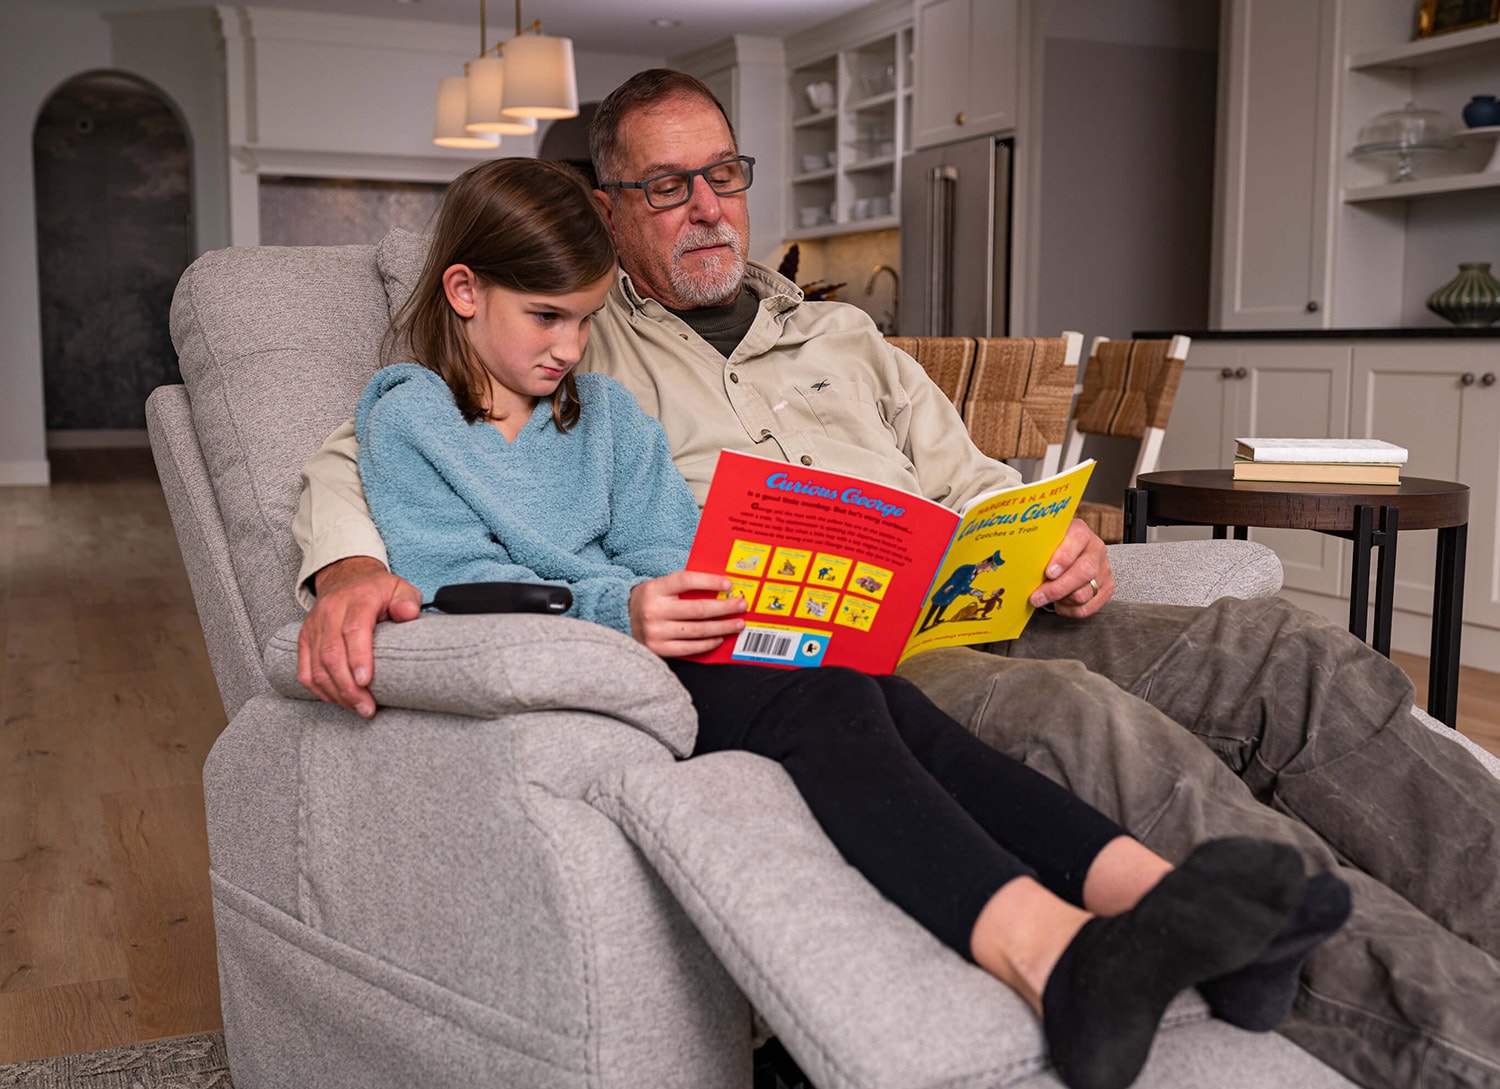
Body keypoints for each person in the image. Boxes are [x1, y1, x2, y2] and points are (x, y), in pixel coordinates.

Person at [293, 71, 1500, 1088]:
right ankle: (1457, 1035)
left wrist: (1054, 535)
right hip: (853, 651)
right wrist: (350, 564)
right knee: (1086, 730)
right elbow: (387, 445)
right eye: (668, 187)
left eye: (725, 175)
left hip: (983, 604)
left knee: (1293, 655)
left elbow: (971, 478)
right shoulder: (572, 342)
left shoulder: (838, 334)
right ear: (606, 210)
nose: (708, 207)